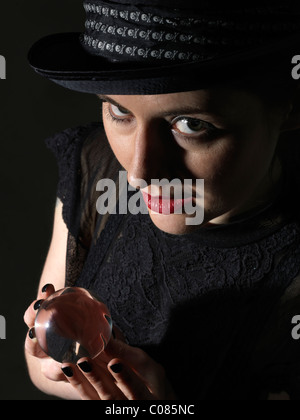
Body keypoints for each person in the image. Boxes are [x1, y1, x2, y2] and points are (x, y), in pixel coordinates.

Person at [24, 0, 300, 400]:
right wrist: (67, 370)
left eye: (191, 124)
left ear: (291, 106)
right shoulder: (96, 165)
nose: (139, 172)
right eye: (119, 111)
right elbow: (40, 364)